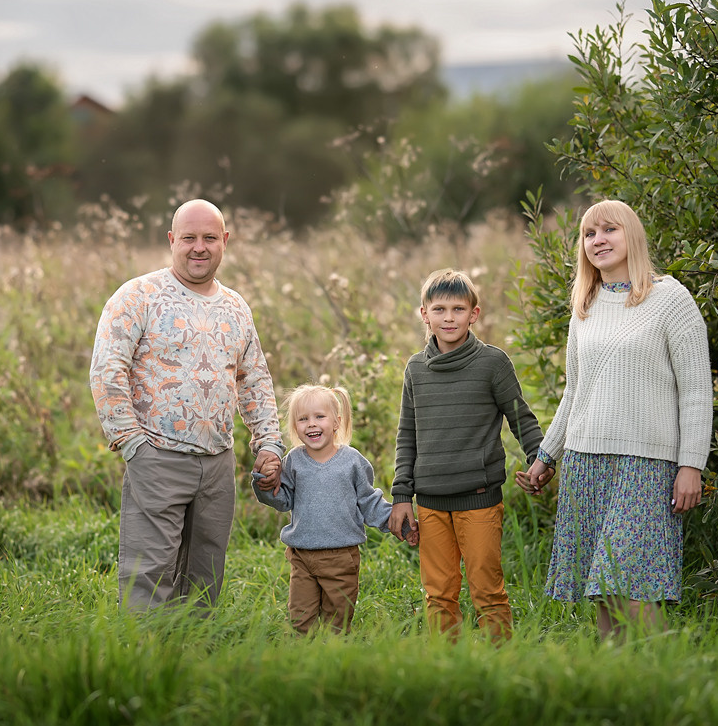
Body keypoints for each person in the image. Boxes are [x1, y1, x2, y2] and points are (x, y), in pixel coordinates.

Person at [520, 199, 713, 640]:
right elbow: (576, 390)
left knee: (633, 587)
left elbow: (698, 390)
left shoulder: (670, 298)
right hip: (586, 462)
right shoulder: (584, 306)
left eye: (609, 230)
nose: (598, 240)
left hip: (646, 464)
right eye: (589, 234)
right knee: (604, 589)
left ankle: (667, 678)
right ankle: (620, 684)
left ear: (632, 236)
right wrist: (546, 456)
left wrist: (691, 465)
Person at [90, 198, 284, 612]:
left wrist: (268, 443)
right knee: (150, 574)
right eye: (189, 238)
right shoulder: (138, 296)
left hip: (217, 463)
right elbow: (107, 372)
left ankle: (194, 660)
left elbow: (254, 380)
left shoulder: (235, 307)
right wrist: (131, 443)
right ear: (171, 240)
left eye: (210, 238)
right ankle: (145, 664)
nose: (200, 247)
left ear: (225, 241)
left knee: (205, 576)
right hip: (156, 455)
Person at [388, 269, 543, 641]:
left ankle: (498, 663)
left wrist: (541, 460)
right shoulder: (415, 369)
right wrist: (400, 497)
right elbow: (406, 434)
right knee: (439, 593)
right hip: (429, 502)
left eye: (458, 309)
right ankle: (449, 667)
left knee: (486, 591)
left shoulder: (492, 363)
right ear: (424, 314)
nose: (449, 318)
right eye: (439, 309)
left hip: (478, 499)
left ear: (474, 314)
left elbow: (521, 418)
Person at [253, 384, 412, 634]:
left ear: (336, 422)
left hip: (341, 557)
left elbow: (369, 502)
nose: (311, 424)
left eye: (319, 417)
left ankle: (333, 661)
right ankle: (303, 661)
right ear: (295, 426)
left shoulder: (352, 462)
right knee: (300, 621)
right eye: (303, 419)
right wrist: (264, 485)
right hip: (302, 556)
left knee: (336, 623)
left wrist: (398, 523)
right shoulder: (293, 461)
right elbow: (282, 500)